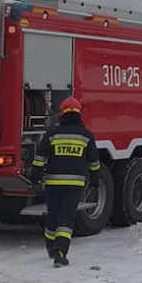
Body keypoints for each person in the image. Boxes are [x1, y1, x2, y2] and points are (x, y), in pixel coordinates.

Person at [27, 97, 100, 267]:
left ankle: (51, 246)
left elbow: (39, 159)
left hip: (53, 184)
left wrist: (35, 178)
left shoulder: (52, 134)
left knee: (53, 216)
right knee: (67, 218)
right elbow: (94, 162)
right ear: (79, 114)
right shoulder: (86, 135)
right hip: (74, 185)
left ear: (61, 114)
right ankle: (61, 252)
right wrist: (95, 182)